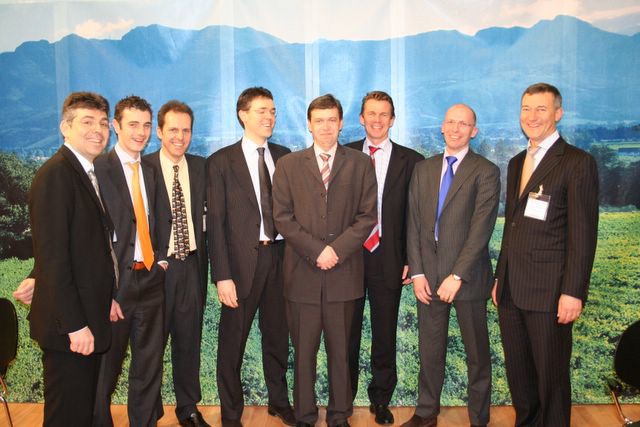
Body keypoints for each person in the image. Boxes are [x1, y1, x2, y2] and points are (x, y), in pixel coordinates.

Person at [493, 83, 599, 427]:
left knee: (551, 379)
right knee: (520, 377)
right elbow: (513, 226)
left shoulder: (577, 163)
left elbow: (583, 235)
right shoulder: (516, 162)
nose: (532, 116)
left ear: (558, 113)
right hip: (511, 291)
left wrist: (573, 292)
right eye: (526, 108)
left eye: (541, 108)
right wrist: (500, 277)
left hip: (550, 293)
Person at [272, 94, 378, 427]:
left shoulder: (360, 163)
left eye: (332, 120)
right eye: (319, 120)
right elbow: (282, 218)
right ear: (309, 124)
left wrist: (336, 250)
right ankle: (304, 415)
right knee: (303, 354)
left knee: (341, 353)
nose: (326, 126)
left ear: (341, 123)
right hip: (302, 275)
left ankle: (339, 414)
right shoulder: (288, 165)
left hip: (344, 275)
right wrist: (318, 250)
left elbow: (367, 216)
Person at [403, 104, 500, 427]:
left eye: (464, 124)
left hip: (468, 278)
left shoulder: (486, 171)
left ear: (474, 131)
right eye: (451, 122)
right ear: (442, 127)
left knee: (477, 355)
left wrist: (457, 274)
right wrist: (417, 272)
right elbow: (414, 224)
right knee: (430, 352)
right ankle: (425, 413)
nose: (456, 129)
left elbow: (481, 229)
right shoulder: (423, 169)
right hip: (428, 277)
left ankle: (479, 419)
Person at [27, 91, 115, 426]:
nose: (98, 130)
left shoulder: (84, 172)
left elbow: (83, 250)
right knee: (67, 417)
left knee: (80, 414)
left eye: (103, 123)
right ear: (65, 127)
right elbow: (54, 258)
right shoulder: (56, 175)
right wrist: (75, 325)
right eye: (87, 122)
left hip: (87, 317)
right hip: (70, 331)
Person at [207, 87, 294, 427]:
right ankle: (231, 414)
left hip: (281, 259)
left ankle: (279, 402)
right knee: (232, 344)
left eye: (272, 111)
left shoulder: (285, 157)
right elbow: (215, 225)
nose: (269, 117)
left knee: (277, 337)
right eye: (261, 111)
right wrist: (222, 276)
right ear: (243, 115)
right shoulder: (221, 162)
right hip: (241, 266)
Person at [345, 91, 423, 425]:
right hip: (349, 258)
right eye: (371, 114)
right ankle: (343, 400)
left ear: (392, 120)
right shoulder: (344, 154)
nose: (377, 120)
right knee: (345, 334)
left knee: (384, 333)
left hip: (390, 258)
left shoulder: (412, 161)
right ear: (361, 118)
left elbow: (416, 216)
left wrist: (411, 258)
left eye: (384, 114)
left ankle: (380, 399)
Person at [92, 95, 167, 427]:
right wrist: (105, 291)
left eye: (146, 125)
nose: (141, 132)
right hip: (115, 286)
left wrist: (161, 261)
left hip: (150, 278)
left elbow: (159, 219)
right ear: (116, 126)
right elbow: (90, 234)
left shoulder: (150, 169)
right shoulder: (98, 169)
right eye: (133, 124)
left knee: (149, 367)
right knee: (105, 371)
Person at [144, 100, 209, 427]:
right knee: (151, 345)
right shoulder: (143, 169)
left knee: (188, 342)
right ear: (159, 131)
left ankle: (188, 408)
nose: (179, 137)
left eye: (186, 130)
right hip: (156, 270)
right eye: (173, 130)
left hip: (191, 267)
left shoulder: (201, 167)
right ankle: (149, 411)